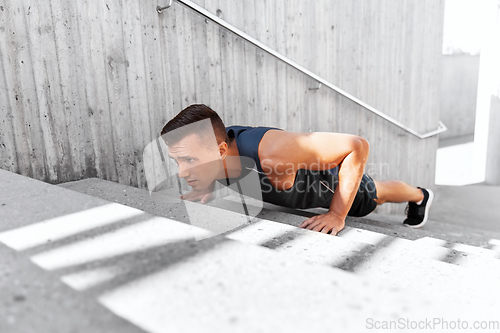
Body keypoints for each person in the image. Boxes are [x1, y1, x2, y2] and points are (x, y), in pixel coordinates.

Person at [160, 104, 434, 236]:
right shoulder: (216, 151)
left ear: (219, 151)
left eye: (189, 161)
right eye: (179, 161)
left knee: (376, 194)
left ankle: (420, 195)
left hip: (335, 184)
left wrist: (338, 214)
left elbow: (357, 146)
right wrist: (205, 187)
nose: (182, 172)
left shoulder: (271, 154)